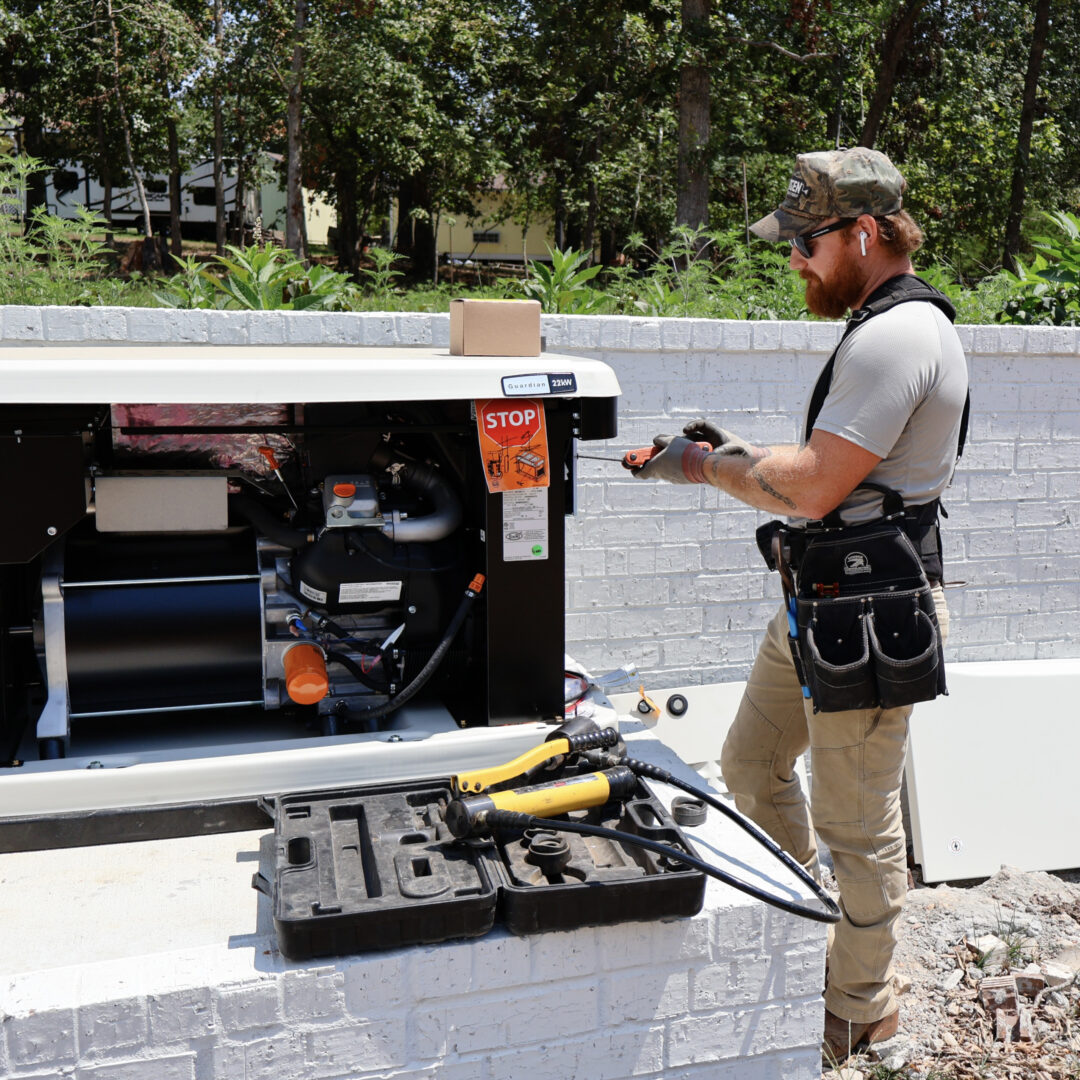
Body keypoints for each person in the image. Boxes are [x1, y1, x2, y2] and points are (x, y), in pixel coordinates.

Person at [633, 146, 969, 1062]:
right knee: (749, 768)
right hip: (821, 604)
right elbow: (835, 477)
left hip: (867, 617)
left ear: (865, 232)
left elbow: (817, 487)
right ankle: (817, 927)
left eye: (806, 242)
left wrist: (703, 466)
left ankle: (861, 1005)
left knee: (858, 830)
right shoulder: (875, 326)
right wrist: (741, 456)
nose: (794, 261)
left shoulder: (900, 335)